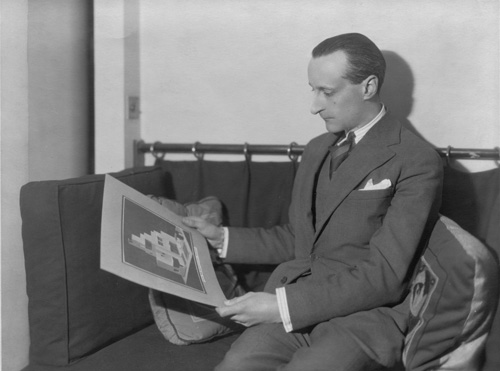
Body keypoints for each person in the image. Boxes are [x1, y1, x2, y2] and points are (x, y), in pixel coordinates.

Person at [183, 33, 443, 371]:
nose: (314, 106)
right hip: (300, 305)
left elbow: (386, 275)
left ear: (368, 87)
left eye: (328, 92)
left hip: (364, 318)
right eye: (313, 90)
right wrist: (222, 239)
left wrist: (281, 306)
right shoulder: (318, 149)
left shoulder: (415, 159)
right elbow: (302, 239)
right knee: (236, 365)